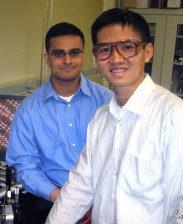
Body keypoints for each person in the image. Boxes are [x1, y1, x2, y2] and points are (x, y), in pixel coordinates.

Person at [46, 8, 183, 224]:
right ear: (96, 57)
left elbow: (180, 208)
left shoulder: (174, 116)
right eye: (105, 49)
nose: (116, 58)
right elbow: (80, 186)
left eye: (127, 47)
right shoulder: (100, 119)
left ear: (147, 52)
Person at [6, 22, 112, 223]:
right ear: (47, 58)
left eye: (74, 52)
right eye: (58, 53)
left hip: (101, 200)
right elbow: (25, 165)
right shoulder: (29, 109)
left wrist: (95, 202)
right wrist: (63, 199)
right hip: (51, 198)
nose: (67, 60)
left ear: (84, 55)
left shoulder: (106, 102)